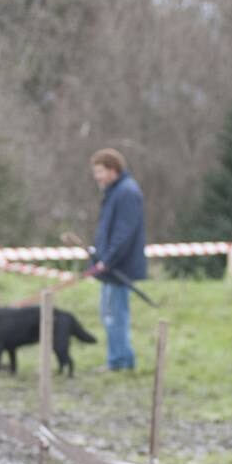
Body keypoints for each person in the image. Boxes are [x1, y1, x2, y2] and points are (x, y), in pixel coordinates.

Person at [90, 148, 146, 371]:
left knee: (115, 316)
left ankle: (120, 361)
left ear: (113, 170)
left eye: (100, 172)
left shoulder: (127, 192)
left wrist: (108, 260)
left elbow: (124, 232)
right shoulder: (116, 191)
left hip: (119, 268)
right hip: (110, 266)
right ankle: (119, 358)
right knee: (109, 314)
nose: (97, 177)